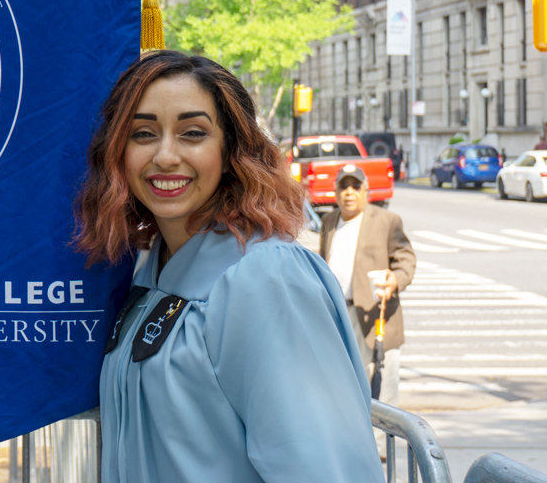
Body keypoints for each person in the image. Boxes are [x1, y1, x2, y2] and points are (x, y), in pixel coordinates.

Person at [77, 51, 382, 482]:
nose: (165, 156)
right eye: (143, 133)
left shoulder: (267, 278)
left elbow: (326, 469)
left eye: (193, 133)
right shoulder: (151, 268)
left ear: (231, 148)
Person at [319, 165, 416, 416]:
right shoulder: (328, 222)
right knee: (345, 384)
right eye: (344, 186)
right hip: (339, 315)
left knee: (381, 390)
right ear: (336, 191)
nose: (349, 193)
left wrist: (394, 280)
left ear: (366, 191)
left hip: (375, 314)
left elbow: (406, 261)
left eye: (355, 186)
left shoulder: (386, 221)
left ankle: (382, 452)